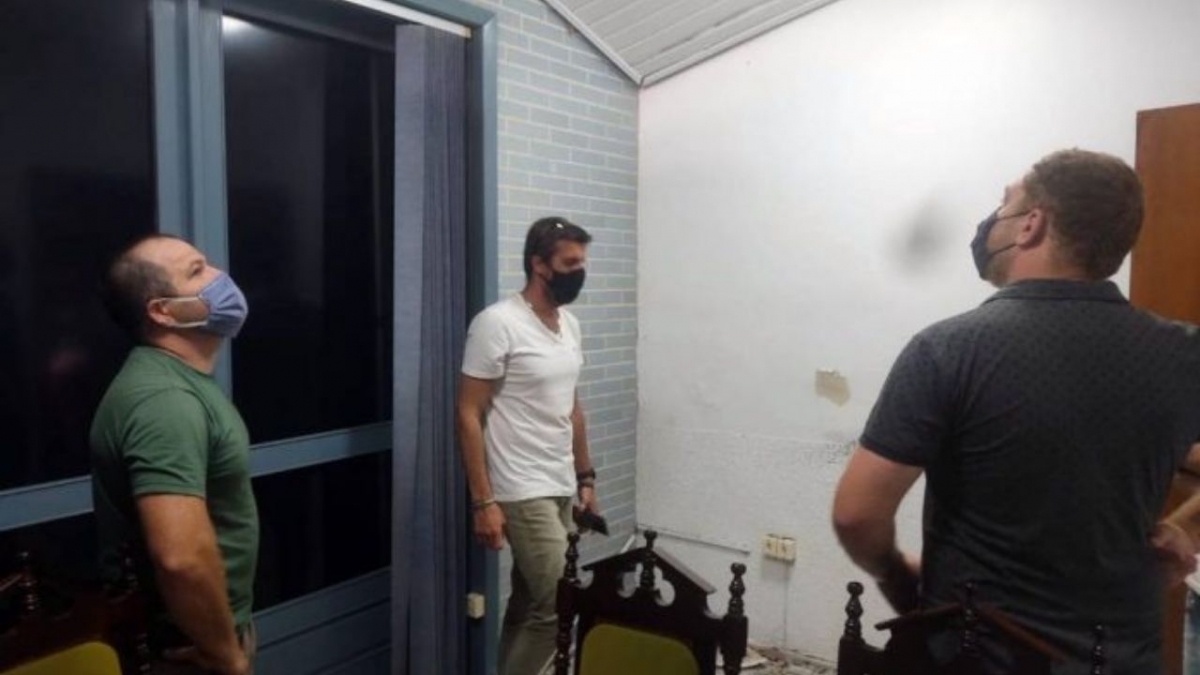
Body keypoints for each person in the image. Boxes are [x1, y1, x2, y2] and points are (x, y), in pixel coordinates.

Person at [832, 149, 1200, 674]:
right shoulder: (1184, 355)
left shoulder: (949, 350)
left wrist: (896, 576)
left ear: (1031, 224)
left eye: (1004, 205)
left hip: (977, 653)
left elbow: (856, 513)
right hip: (1121, 658)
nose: (991, 222)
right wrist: (1185, 529)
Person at [91, 234, 257, 675]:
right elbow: (180, 557)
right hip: (190, 649)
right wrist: (226, 655)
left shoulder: (179, 381)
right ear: (162, 311)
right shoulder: (165, 401)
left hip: (208, 632)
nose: (220, 277)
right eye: (197, 271)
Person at [457, 216, 600, 675]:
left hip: (559, 482)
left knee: (528, 605)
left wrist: (585, 477)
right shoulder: (497, 323)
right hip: (520, 487)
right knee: (559, 603)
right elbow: (467, 413)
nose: (579, 272)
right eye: (570, 263)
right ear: (539, 264)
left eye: (582, 262)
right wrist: (483, 502)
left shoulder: (569, 325)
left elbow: (572, 408)